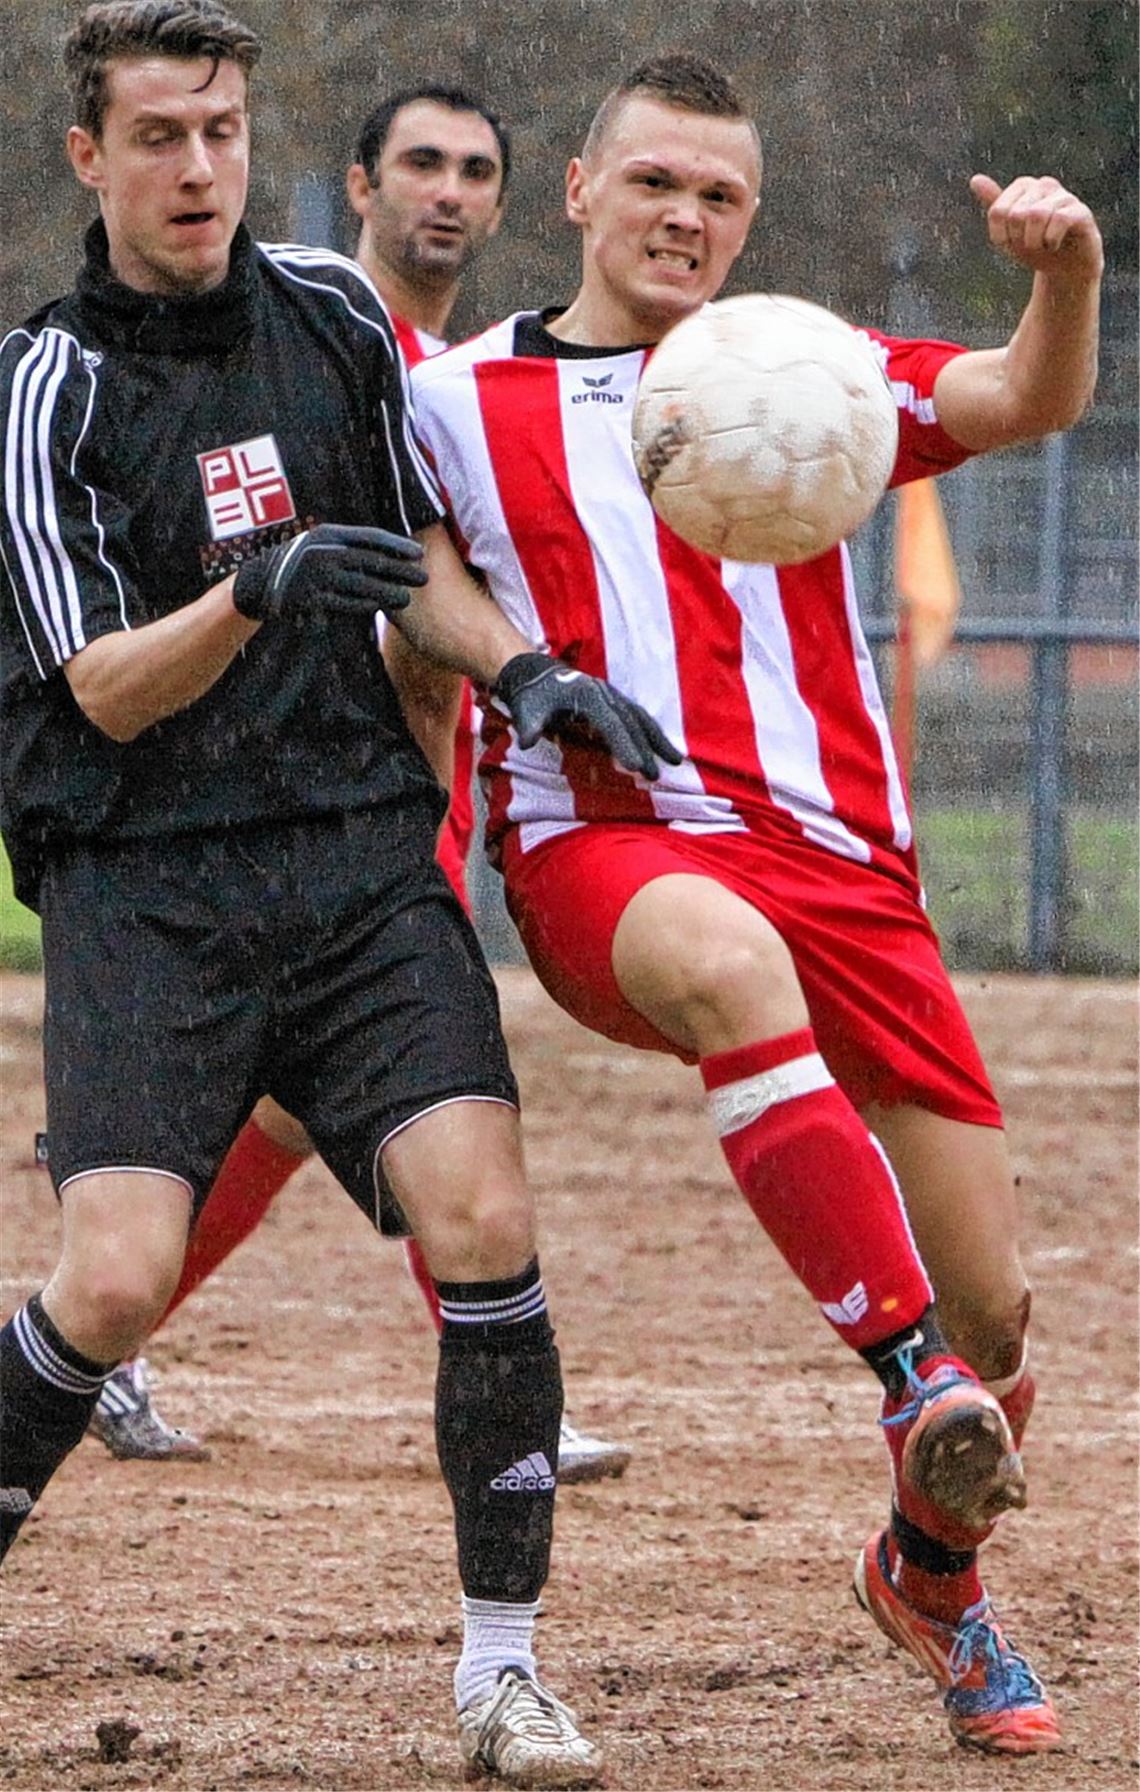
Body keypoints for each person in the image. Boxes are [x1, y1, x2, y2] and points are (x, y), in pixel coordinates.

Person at [0, 9, 681, 1783]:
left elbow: (420, 564)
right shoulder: (49, 380)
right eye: (156, 135)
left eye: (219, 128)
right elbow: (93, 687)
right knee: (119, 1279)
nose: (198, 167)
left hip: (357, 859)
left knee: (484, 1224)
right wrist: (255, 589)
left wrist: (526, 673)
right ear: (89, 155)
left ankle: (503, 1673)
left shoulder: (328, 318)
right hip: (144, 881)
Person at [402, 51, 1104, 1760]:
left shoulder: (810, 365)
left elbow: (1022, 399)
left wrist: (1066, 274)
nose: (686, 219)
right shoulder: (450, 400)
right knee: (729, 964)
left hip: (849, 869)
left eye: (720, 196)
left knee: (1004, 1315)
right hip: (604, 840)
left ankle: (931, 1573)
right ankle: (907, 1380)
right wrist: (528, 675)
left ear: (750, 222)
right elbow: (410, 568)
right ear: (577, 191)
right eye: (655, 184)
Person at [87, 79, 632, 1487]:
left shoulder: (444, 369)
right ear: (360, 184)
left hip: (412, 774)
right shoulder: (316, 331)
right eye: (421, 167)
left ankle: (112, 1344)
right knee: (390, 1099)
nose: (448, 193)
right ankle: (497, 1355)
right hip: (311, 794)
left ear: (510, 201)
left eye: (474, 171)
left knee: (289, 1106)